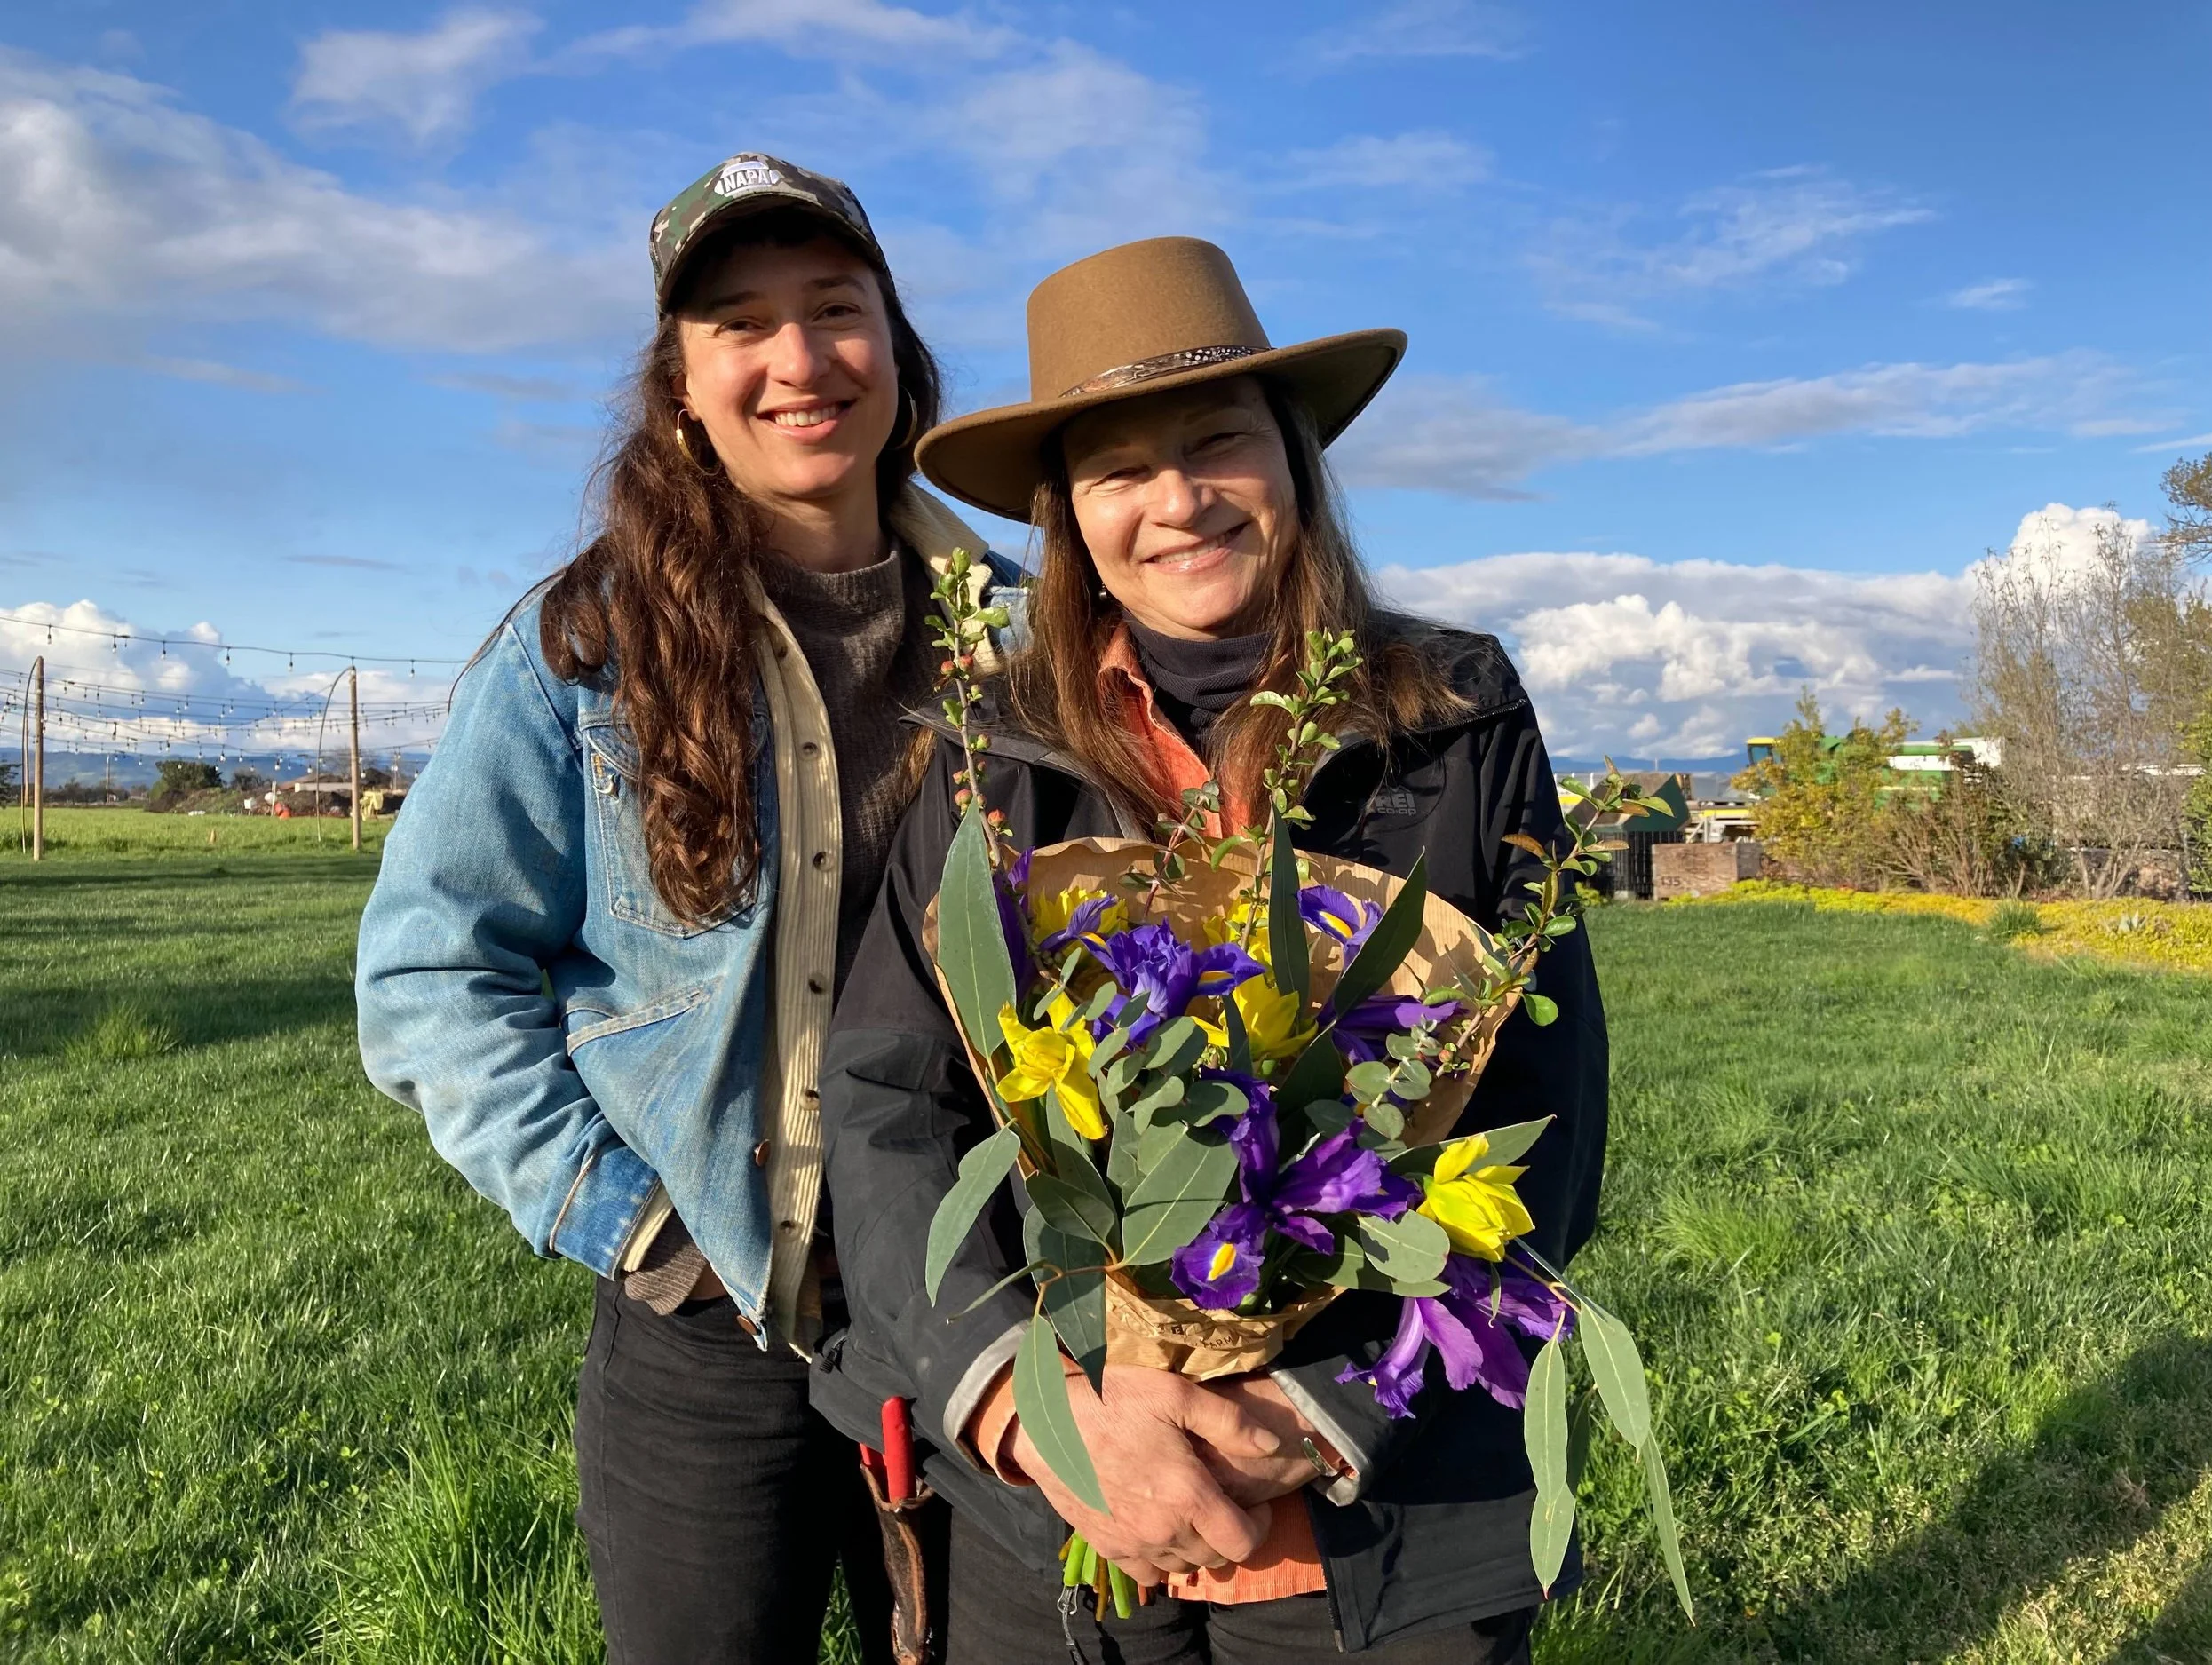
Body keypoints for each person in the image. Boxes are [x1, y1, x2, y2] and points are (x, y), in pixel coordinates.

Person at [810, 237, 1609, 1661]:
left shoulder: (1458, 714)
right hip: (1060, 1515)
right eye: (1119, 469)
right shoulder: (991, 752)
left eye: (1217, 443)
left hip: (1380, 1520)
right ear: (1067, 515)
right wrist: (1023, 1404)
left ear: (1293, 460)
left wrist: (1324, 1408)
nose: (1175, 501)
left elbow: (1543, 1112)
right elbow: (888, 1100)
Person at [355, 153, 1021, 1663]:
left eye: (834, 309)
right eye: (739, 322)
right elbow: (430, 976)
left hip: (999, 1311)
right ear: (682, 385)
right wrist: (645, 1230)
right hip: (715, 1330)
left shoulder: (1027, 635)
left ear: (897, 356)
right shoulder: (582, 647)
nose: (797, 359)